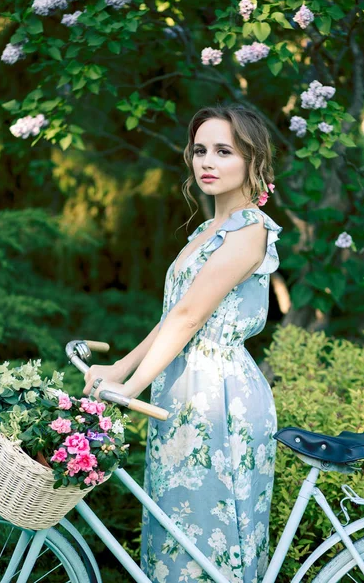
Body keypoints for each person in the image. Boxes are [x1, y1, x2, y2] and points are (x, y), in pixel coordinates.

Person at [84, 104, 283, 583]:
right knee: (174, 524)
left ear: (251, 160)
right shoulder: (203, 232)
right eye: (200, 150)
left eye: (224, 151)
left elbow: (192, 318)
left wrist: (132, 388)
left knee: (208, 533)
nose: (207, 162)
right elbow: (174, 316)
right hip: (180, 389)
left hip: (220, 397)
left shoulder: (250, 230)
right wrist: (120, 371)